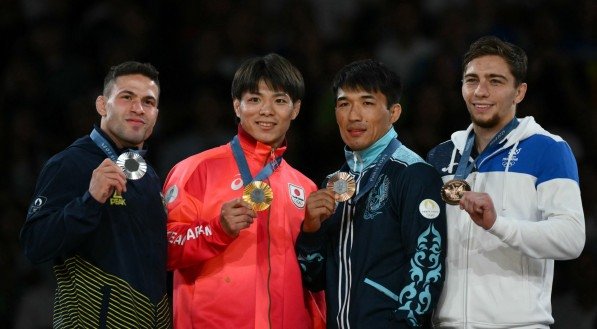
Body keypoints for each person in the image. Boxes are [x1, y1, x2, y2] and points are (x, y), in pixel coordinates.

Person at [426, 36, 586, 328]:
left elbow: (571, 238)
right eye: (471, 80)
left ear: (519, 92)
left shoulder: (547, 149)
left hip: (517, 324)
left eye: (495, 81)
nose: (481, 91)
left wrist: (498, 225)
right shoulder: (441, 156)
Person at [162, 53, 326, 329]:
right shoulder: (195, 170)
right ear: (236, 106)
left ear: (295, 109)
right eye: (254, 99)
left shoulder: (305, 187)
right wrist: (217, 230)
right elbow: (162, 249)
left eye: (280, 100)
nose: (267, 110)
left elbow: (314, 282)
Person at [296, 59, 447, 328]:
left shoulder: (414, 174)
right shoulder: (334, 182)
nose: (354, 116)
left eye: (367, 103)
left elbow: (427, 267)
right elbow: (314, 279)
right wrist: (310, 231)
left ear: (394, 112)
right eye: (344, 104)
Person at [20, 61, 171, 327]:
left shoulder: (148, 175)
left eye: (148, 102)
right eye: (127, 97)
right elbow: (34, 244)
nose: (138, 108)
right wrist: (89, 201)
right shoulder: (69, 163)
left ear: (155, 115)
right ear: (102, 105)